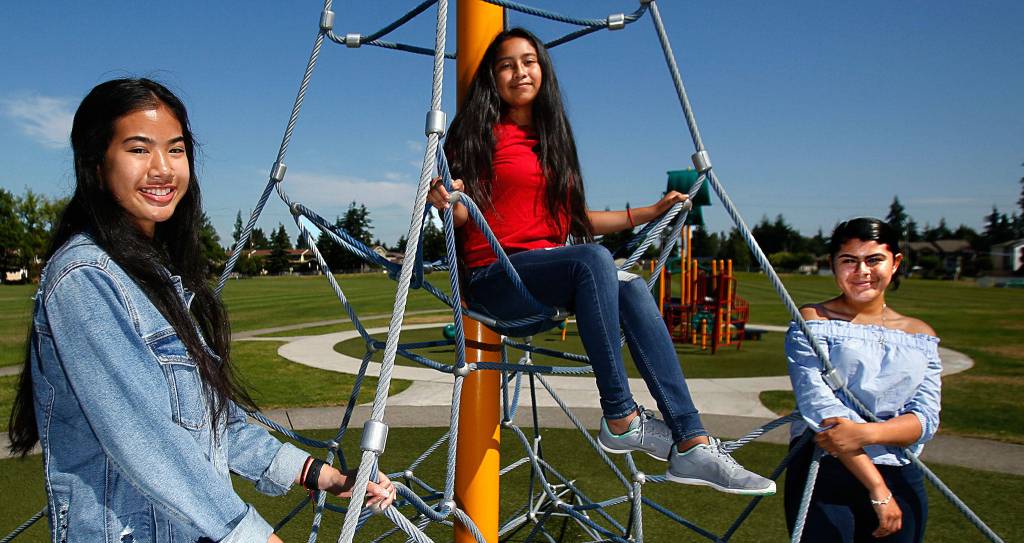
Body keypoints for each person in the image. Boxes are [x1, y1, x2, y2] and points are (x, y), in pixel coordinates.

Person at [7, 78, 395, 542]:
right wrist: (252, 536)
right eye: (138, 149)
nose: (162, 169)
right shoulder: (85, 278)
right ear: (95, 164)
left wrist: (319, 475)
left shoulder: (157, 276)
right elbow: (148, 443)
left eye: (175, 150)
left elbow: (214, 422)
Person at [427, 28, 775, 495]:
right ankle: (620, 414)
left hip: (552, 271)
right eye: (507, 64)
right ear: (493, 76)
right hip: (496, 277)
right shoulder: (476, 133)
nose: (519, 71)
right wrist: (449, 201)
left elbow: (574, 220)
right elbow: (466, 210)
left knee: (628, 283)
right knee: (595, 261)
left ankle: (691, 443)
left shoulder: (552, 140)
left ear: (542, 69)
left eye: (528, 61)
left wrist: (648, 213)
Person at [784, 217, 941, 542]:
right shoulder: (813, 321)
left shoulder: (921, 335)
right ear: (833, 265)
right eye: (849, 261)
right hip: (824, 469)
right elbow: (820, 407)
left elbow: (926, 418)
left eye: (873, 260)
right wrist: (877, 488)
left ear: (895, 263)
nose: (862, 271)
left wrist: (866, 433)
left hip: (900, 470)